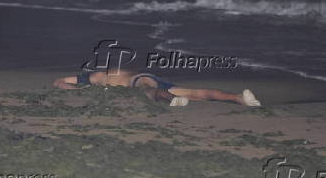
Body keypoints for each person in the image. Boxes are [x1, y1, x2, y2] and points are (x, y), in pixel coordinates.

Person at [53, 70, 261, 107]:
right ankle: (239, 98)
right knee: (196, 93)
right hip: (151, 78)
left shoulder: (96, 77)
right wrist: (76, 90)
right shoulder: (97, 76)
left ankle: (170, 99)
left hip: (140, 80)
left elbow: (59, 82)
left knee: (148, 92)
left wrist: (76, 90)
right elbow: (60, 82)